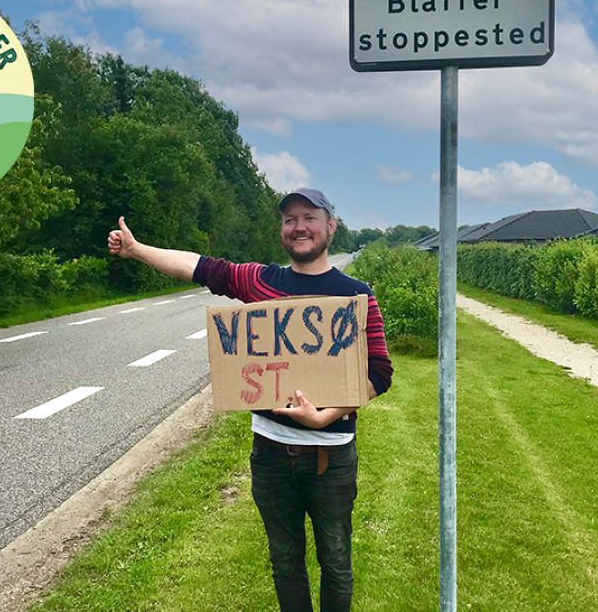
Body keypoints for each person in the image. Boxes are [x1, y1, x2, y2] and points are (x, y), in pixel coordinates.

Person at [107, 187, 393, 612]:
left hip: (330, 457)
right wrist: (136, 249)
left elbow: (379, 373)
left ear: (330, 226)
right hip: (270, 456)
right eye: (289, 219)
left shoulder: (355, 295)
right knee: (285, 562)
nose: (299, 227)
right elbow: (200, 267)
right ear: (282, 229)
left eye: (310, 218)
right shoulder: (261, 282)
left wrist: (327, 416)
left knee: (335, 562)